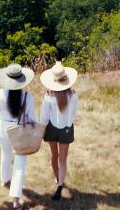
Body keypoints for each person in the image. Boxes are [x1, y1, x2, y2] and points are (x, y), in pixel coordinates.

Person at [0, 63, 36, 210]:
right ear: (22, 80)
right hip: (20, 130)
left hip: (3, 130)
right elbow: (32, 120)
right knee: (20, 165)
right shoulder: (28, 97)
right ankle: (16, 200)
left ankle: (5, 180)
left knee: (5, 155)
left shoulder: (0, 94)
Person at [39, 61, 79, 201]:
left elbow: (44, 117)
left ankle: (57, 179)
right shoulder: (73, 95)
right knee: (63, 159)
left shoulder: (49, 96)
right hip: (66, 129)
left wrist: (40, 132)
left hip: (51, 128)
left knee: (54, 156)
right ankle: (61, 184)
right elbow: (74, 113)